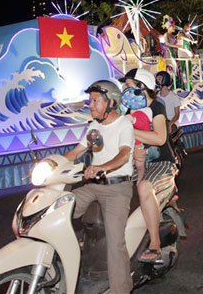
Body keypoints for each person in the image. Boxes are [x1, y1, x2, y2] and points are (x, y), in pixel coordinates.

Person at [63, 80, 134, 294]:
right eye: (90, 100)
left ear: (111, 102)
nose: (90, 105)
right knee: (58, 211)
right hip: (92, 186)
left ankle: (122, 290)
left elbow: (123, 155)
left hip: (117, 190)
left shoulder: (124, 125)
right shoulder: (93, 127)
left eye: (95, 100)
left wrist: (101, 167)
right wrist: (53, 163)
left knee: (115, 244)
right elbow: (75, 152)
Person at [120, 68, 178, 265]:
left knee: (144, 186)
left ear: (141, 87)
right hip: (136, 161)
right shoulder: (129, 109)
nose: (125, 90)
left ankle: (154, 244)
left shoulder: (157, 107)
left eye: (128, 86)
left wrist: (131, 131)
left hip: (161, 162)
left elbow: (160, 138)